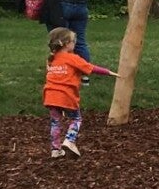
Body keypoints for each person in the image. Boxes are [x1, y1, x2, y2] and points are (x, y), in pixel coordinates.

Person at [42, 26, 113, 158]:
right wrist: (109, 72)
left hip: (50, 96)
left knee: (55, 122)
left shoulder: (52, 59)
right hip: (66, 96)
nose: (75, 43)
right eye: (73, 41)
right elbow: (90, 68)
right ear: (66, 44)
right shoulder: (73, 58)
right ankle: (69, 140)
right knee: (76, 118)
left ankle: (55, 150)